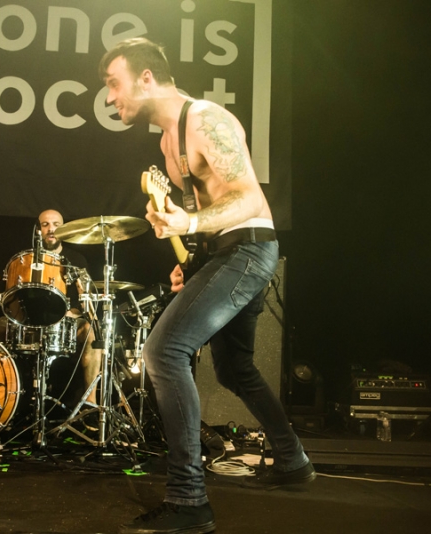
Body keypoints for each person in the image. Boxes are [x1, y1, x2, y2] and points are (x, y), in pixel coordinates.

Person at [99, 38, 314, 533]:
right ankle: (292, 459)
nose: (109, 97)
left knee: (163, 352)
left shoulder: (204, 119)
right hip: (223, 253)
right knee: (235, 368)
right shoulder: (166, 143)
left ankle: (189, 500)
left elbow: (249, 199)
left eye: (114, 83)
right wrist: (190, 258)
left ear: (146, 78)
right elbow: (206, 212)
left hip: (249, 249)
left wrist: (189, 224)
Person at [0, 209, 101, 407]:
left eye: (56, 225)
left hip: (64, 319)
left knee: (90, 333)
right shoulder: (25, 259)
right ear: (38, 230)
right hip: (27, 319)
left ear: (65, 229)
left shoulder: (76, 260)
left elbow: (86, 303)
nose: (51, 229)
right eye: (45, 225)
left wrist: (72, 313)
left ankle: (90, 402)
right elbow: (14, 299)